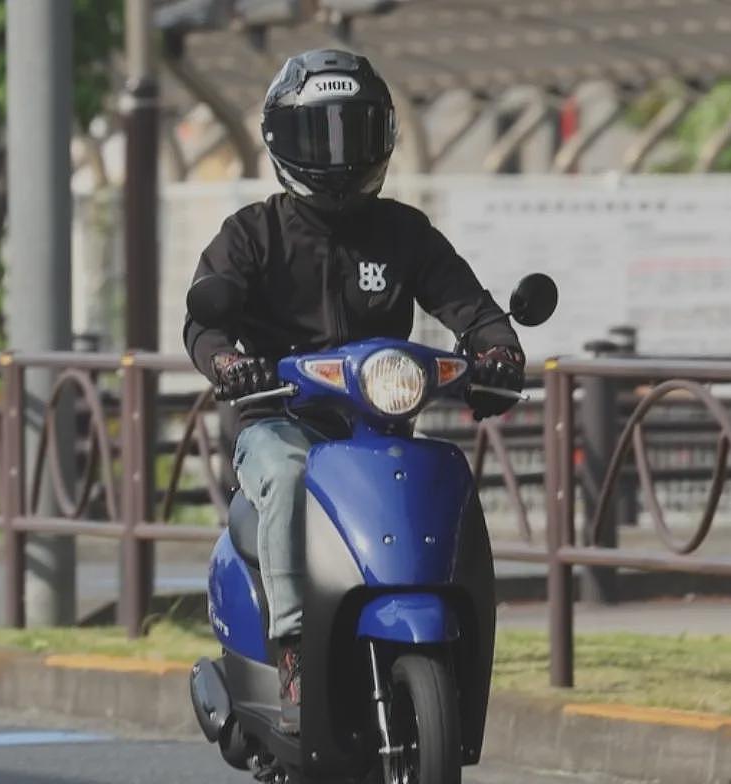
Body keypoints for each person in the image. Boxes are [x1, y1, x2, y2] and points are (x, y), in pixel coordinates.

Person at [183, 48, 524, 733]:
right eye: (318, 135)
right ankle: (292, 650)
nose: (338, 155)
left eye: (355, 132)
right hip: (280, 421)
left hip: (377, 427)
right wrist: (228, 366)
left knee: (438, 469)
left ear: (384, 136)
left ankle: (449, 629)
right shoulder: (253, 234)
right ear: (282, 141)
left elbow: (470, 306)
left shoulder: (405, 233)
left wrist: (497, 349)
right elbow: (203, 322)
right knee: (285, 470)